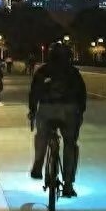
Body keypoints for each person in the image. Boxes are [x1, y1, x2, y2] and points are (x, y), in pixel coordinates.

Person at [28, 43, 86, 197]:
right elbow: (82, 94)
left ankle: (38, 165)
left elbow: (34, 93)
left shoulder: (43, 71)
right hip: (69, 112)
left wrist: (32, 111)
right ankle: (68, 184)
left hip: (46, 110)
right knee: (70, 144)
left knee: (42, 136)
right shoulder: (73, 72)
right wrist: (80, 113)